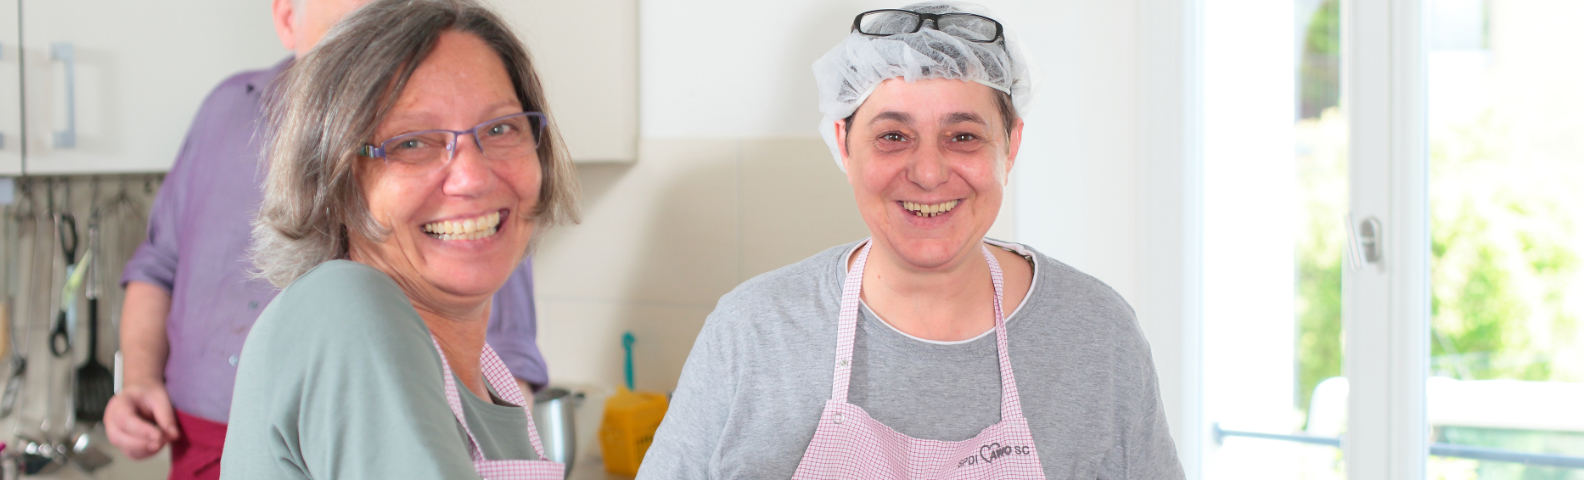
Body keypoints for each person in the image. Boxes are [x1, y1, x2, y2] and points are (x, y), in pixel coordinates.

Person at [639, 3, 1184, 478]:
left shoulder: (1096, 334)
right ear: (843, 145)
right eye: (893, 136)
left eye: (963, 136)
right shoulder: (753, 332)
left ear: (1010, 146)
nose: (928, 172)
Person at [106, 0, 552, 478]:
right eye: (411, 141)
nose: (471, 179)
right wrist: (138, 379)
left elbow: (503, 344)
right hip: (193, 436)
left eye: (503, 127)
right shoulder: (348, 305)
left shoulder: (465, 240)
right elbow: (158, 264)